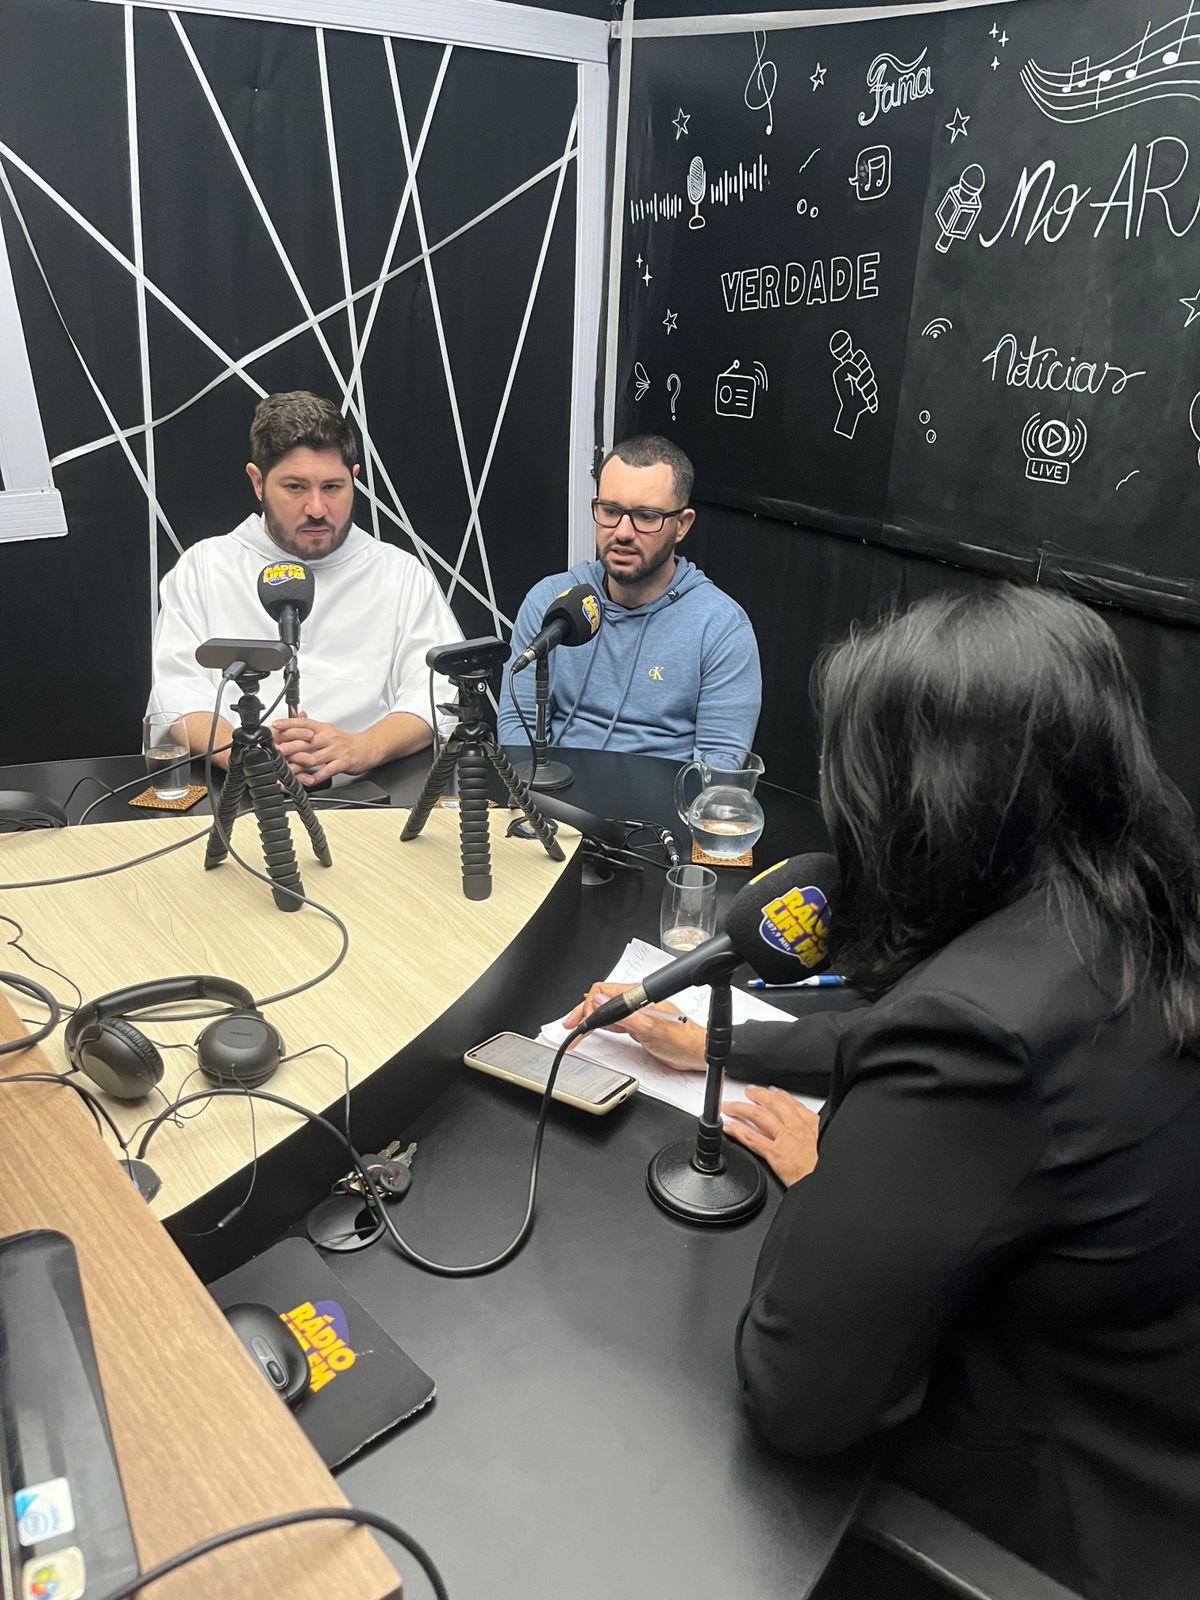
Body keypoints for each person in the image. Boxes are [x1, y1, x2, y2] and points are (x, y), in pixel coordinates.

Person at [569, 584, 1200, 1599]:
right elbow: (949, 1034)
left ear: (933, 799)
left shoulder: (974, 1038)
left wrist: (831, 1176)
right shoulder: (1124, 900)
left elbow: (798, 1398)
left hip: (1049, 1522)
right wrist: (717, 1047)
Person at [147, 391, 460, 784]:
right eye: (295, 487)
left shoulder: (400, 573)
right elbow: (177, 690)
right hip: (236, 792)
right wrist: (241, 753)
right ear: (258, 482)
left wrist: (366, 746)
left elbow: (439, 690)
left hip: (372, 792)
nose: (316, 508)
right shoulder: (205, 568)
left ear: (354, 479)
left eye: (332, 487)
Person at [497, 436, 761, 760]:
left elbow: (720, 764)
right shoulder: (550, 602)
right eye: (610, 511)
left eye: (646, 516)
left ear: (682, 525)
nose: (622, 532)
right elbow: (519, 729)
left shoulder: (721, 627)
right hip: (555, 788)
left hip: (667, 793)